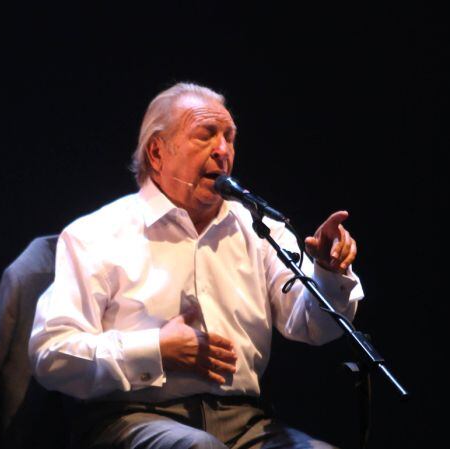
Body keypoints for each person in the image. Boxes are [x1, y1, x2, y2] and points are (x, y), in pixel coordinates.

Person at [28, 82, 364, 449]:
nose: (223, 151)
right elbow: (51, 353)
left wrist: (329, 275)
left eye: (229, 138)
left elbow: (312, 326)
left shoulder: (260, 230)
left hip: (247, 423)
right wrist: (156, 350)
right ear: (157, 152)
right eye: (205, 136)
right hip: (133, 418)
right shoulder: (96, 234)